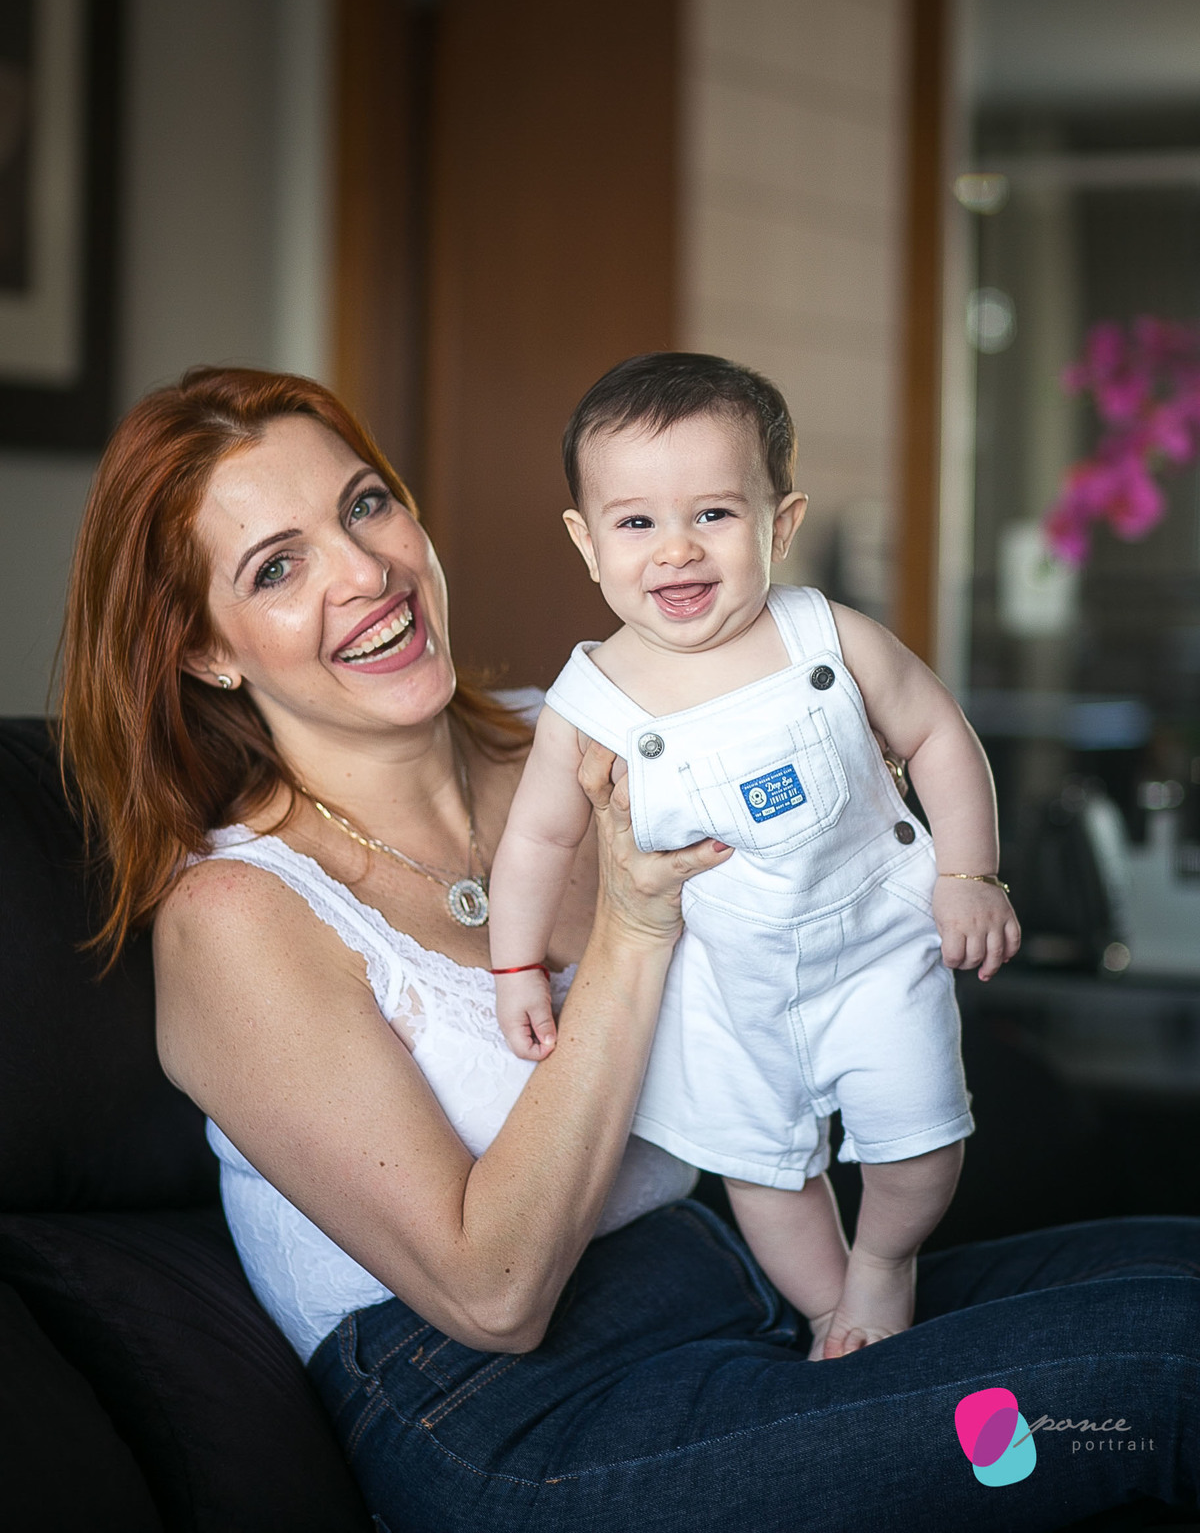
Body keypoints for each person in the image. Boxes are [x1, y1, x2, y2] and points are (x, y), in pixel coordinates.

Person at [58, 365, 1200, 1533]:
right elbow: (492, 1295)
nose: (364, 572)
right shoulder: (238, 916)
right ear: (205, 649)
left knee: (1181, 1269)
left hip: (746, 1280)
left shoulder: (598, 724)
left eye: (366, 505)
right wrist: (633, 930)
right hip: (524, 1422)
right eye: (277, 567)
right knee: (1166, 1373)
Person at [488, 352, 1019, 1358]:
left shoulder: (827, 636)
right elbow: (539, 838)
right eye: (636, 523)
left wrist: (968, 875)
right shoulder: (589, 701)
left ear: (780, 524)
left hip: (873, 950)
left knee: (924, 1142)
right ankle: (829, 1311)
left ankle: (884, 1263)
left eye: (714, 514)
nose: (676, 550)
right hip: (724, 986)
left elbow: (938, 734)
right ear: (586, 542)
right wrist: (514, 963)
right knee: (764, 1172)